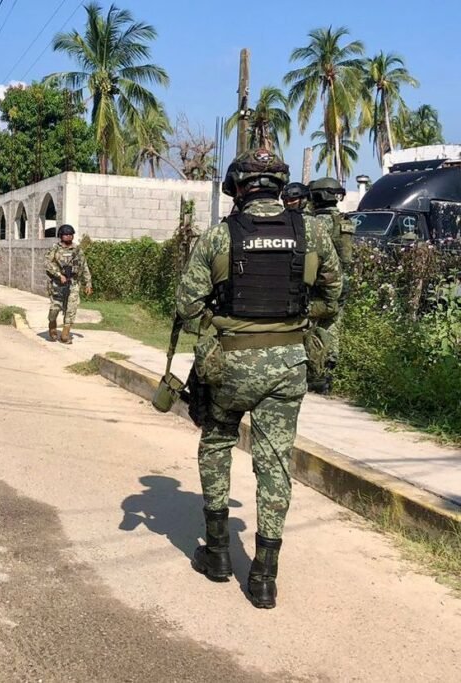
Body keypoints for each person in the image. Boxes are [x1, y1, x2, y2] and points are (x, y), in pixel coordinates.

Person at [175, 148, 341, 609]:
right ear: (279, 186)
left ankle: (217, 555)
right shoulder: (311, 232)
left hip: (228, 367)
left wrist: (222, 318)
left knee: (216, 444)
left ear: (237, 187)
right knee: (275, 464)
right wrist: (298, 317)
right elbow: (334, 294)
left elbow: (187, 306)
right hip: (289, 366)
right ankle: (264, 577)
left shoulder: (218, 236)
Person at [306, 177, 354, 393]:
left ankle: (311, 370)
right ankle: (327, 372)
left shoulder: (312, 222)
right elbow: (346, 257)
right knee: (332, 324)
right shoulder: (343, 221)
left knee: (307, 324)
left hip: (315, 282)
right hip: (339, 282)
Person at [44, 224, 92, 344]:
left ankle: (65, 334)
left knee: (71, 309)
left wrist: (88, 283)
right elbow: (47, 264)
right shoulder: (55, 249)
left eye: (71, 234)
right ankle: (52, 325)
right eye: (66, 234)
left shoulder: (77, 250)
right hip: (57, 285)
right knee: (55, 308)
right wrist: (59, 275)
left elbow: (84, 266)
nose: (69, 236)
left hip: (73, 283)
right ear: (61, 236)